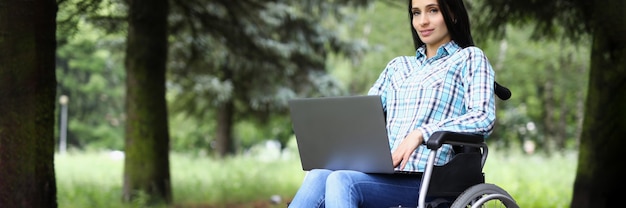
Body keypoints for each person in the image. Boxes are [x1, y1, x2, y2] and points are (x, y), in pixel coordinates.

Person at [288, 0, 496, 207]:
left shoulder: (469, 58)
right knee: (318, 175)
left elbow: (483, 117)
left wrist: (421, 133)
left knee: (341, 180)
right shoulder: (398, 67)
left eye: (433, 11)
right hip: (382, 173)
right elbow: (362, 118)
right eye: (416, 13)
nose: (422, 21)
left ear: (453, 14)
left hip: (430, 181)